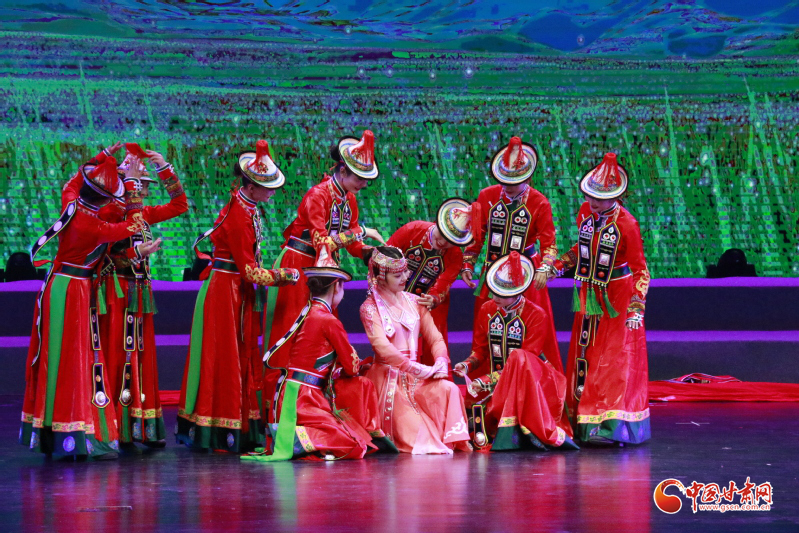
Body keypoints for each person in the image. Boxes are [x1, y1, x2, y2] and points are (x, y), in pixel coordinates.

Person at [20, 155, 154, 460]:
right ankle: (74, 429)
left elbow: (71, 183)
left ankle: (55, 430)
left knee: (58, 358)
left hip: (57, 286)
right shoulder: (95, 225)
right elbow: (134, 223)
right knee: (76, 360)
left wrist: (103, 157)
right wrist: (132, 183)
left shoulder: (71, 205)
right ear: (105, 199)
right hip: (75, 291)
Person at [176, 140, 299, 453]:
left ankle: (236, 425)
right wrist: (286, 275)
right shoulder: (240, 216)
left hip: (234, 290)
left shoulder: (246, 206)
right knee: (224, 358)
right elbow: (250, 272)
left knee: (237, 355)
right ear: (252, 187)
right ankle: (220, 430)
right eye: (268, 188)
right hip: (225, 292)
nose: (273, 193)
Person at [263, 130, 385, 423]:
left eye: (366, 179)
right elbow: (323, 241)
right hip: (300, 266)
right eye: (359, 178)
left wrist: (369, 253)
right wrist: (361, 231)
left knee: (322, 336)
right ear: (342, 170)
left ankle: (315, 403)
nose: (363, 184)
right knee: (293, 332)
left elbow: (348, 243)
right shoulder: (317, 195)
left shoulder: (349, 199)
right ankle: (279, 410)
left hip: (325, 270)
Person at [544, 152, 651, 445]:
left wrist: (636, 307)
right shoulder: (584, 214)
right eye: (590, 196)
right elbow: (582, 248)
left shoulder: (627, 224)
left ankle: (612, 426)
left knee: (614, 360)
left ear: (615, 197)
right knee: (586, 356)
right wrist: (558, 266)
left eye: (599, 199)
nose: (593, 202)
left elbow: (641, 270)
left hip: (618, 297)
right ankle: (584, 422)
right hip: (589, 294)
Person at [243, 264, 394, 462]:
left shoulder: (308, 313)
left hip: (293, 392)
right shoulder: (327, 320)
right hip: (304, 397)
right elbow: (351, 367)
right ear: (336, 287)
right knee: (355, 444)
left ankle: (289, 436)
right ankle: (293, 439)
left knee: (353, 436)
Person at [97, 145, 188, 449]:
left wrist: (165, 169)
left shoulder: (144, 214)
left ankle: (139, 426)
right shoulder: (110, 212)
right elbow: (106, 257)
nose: (144, 191)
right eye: (139, 184)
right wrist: (134, 254)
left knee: (139, 356)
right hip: (117, 293)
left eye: (146, 185)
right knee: (117, 356)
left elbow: (179, 205)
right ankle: (115, 426)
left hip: (139, 293)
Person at [461, 136, 563, 384]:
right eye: (504, 181)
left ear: (527, 178)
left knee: (530, 330)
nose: (508, 187)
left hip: (526, 274)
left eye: (514, 182)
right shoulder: (487, 196)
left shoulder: (539, 202)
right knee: (489, 329)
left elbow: (549, 243)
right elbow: (477, 234)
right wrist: (468, 262)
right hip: (492, 273)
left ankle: (535, 387)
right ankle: (485, 387)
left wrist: (545, 267)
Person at [453, 252, 578, 452]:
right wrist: (466, 365)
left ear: (518, 291)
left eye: (502, 294)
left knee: (519, 357)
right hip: (496, 382)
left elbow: (524, 361)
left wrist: (486, 380)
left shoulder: (536, 315)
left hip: (530, 381)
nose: (495, 298)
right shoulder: (486, 309)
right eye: (493, 292)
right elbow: (480, 351)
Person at [359, 246, 471, 454]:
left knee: (450, 389)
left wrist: (440, 361)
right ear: (381, 277)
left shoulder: (414, 302)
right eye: (397, 275)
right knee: (423, 438)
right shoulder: (369, 308)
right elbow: (382, 347)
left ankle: (453, 441)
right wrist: (416, 368)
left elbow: (435, 338)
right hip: (389, 380)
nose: (405, 278)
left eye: (405, 272)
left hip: (416, 379)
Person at [386, 198, 475, 375]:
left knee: (433, 339)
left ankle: (433, 379)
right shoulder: (412, 230)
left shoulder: (455, 256)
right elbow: (384, 256)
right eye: (442, 234)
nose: (443, 242)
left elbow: (442, 286)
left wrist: (433, 299)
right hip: (393, 296)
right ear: (437, 223)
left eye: (450, 240)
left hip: (427, 305)